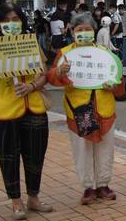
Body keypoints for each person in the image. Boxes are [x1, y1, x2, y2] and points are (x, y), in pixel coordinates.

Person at [0, 2, 53, 219]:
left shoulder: (30, 42)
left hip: (33, 108)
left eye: (15, 20)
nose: (11, 24)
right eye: (6, 21)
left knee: (35, 155)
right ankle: (16, 201)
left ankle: (33, 197)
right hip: (4, 110)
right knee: (9, 157)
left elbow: (44, 73)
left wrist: (32, 86)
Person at [47, 13, 118, 205]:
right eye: (80, 30)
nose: (84, 33)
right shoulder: (65, 53)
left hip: (104, 109)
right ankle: (88, 187)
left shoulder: (104, 53)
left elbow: (118, 80)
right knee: (82, 149)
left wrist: (114, 86)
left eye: (88, 29)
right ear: (72, 31)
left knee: (105, 148)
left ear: (94, 31)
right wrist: (59, 72)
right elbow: (52, 77)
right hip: (78, 110)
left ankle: (103, 184)